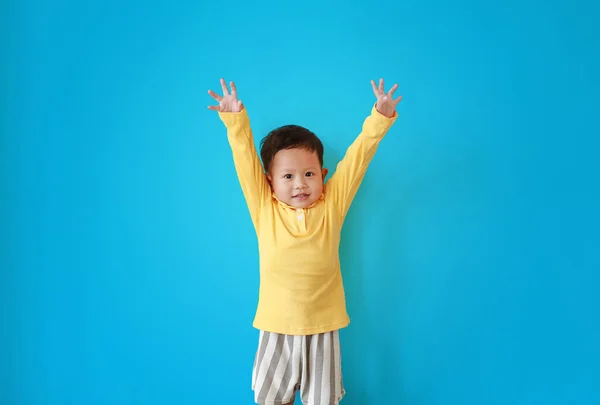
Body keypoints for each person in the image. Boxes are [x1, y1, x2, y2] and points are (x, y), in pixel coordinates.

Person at [207, 77, 401, 405]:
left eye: (309, 174)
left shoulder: (333, 204)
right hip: (276, 326)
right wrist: (235, 120)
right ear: (270, 182)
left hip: (323, 327)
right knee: (271, 399)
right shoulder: (264, 207)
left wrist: (379, 119)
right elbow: (244, 161)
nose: (300, 184)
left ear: (323, 176)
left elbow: (358, 159)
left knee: (323, 400)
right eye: (288, 176)